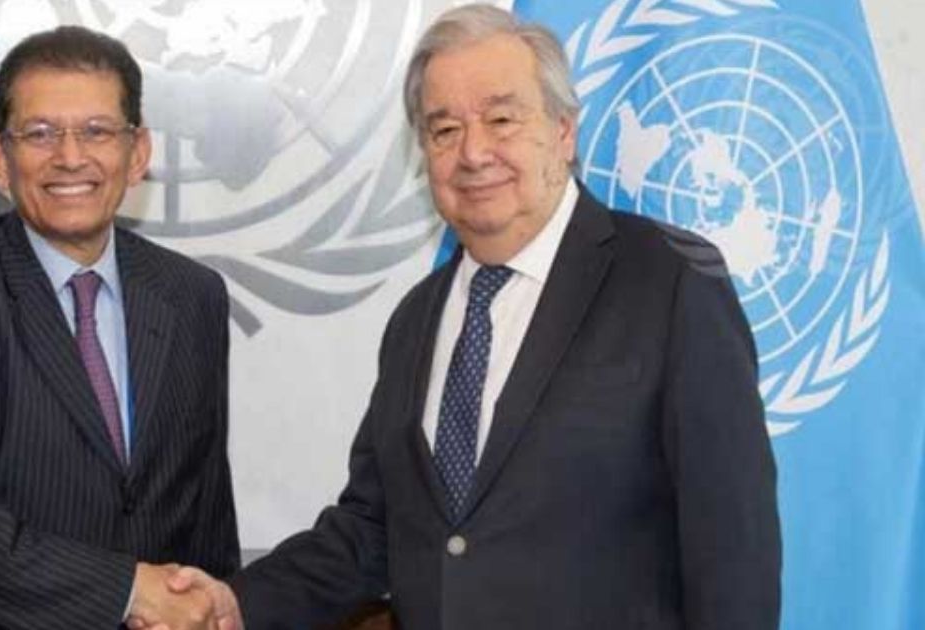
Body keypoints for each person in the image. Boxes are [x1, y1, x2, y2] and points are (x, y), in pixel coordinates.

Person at [160, 4, 782, 629]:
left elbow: (733, 549)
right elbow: (373, 528)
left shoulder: (669, 283)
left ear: (563, 132)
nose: (474, 151)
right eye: (445, 129)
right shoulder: (416, 319)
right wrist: (236, 603)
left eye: (501, 119)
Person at [0, 25, 238, 629]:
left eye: (97, 131)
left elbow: (205, 503)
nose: (70, 157)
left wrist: (212, 605)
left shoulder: (192, 295)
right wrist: (127, 592)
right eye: (40, 133)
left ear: (138, 153)